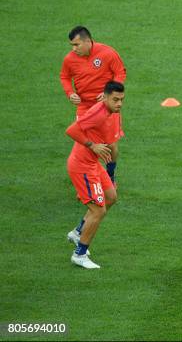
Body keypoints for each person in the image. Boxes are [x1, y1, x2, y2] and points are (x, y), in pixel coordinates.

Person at [65, 81, 125, 269]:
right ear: (105, 96)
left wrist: (111, 174)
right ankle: (80, 254)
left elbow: (113, 145)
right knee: (98, 210)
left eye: (122, 100)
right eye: (115, 99)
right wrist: (92, 145)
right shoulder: (97, 113)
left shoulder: (112, 112)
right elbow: (72, 130)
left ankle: (78, 232)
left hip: (92, 163)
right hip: (82, 166)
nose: (119, 104)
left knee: (111, 197)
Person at [60, 26, 126, 183]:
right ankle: (89, 179)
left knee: (111, 146)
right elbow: (64, 76)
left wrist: (109, 94)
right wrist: (70, 93)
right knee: (85, 146)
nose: (74, 49)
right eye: (72, 45)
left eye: (77, 45)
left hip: (107, 107)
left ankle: (110, 175)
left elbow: (120, 72)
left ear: (88, 41)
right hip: (85, 107)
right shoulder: (70, 59)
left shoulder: (107, 53)